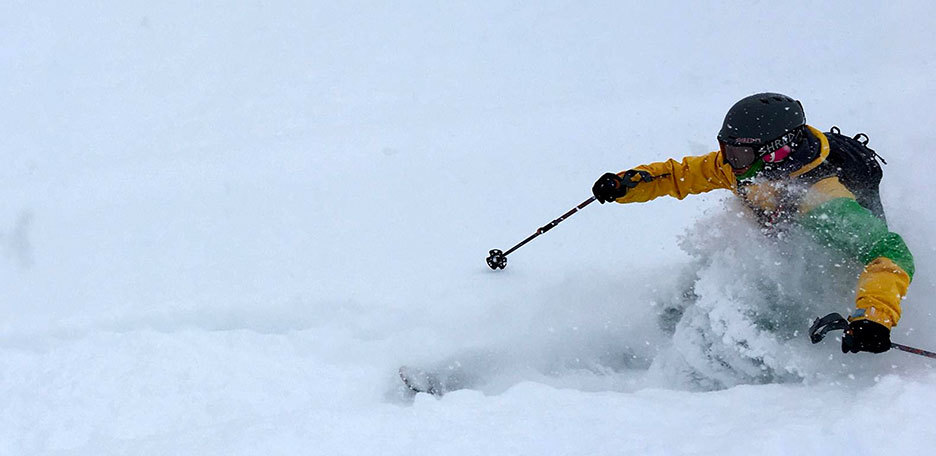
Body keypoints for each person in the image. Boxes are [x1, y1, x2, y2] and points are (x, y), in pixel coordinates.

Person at [591, 93, 913, 355]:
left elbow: (890, 253)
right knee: (697, 287)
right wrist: (626, 185)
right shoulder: (744, 167)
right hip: (774, 246)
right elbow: (680, 176)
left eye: (739, 154)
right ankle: (660, 342)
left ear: (776, 152)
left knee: (766, 299)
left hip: (827, 266)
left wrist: (874, 318)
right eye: (726, 150)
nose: (729, 161)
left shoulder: (823, 198)